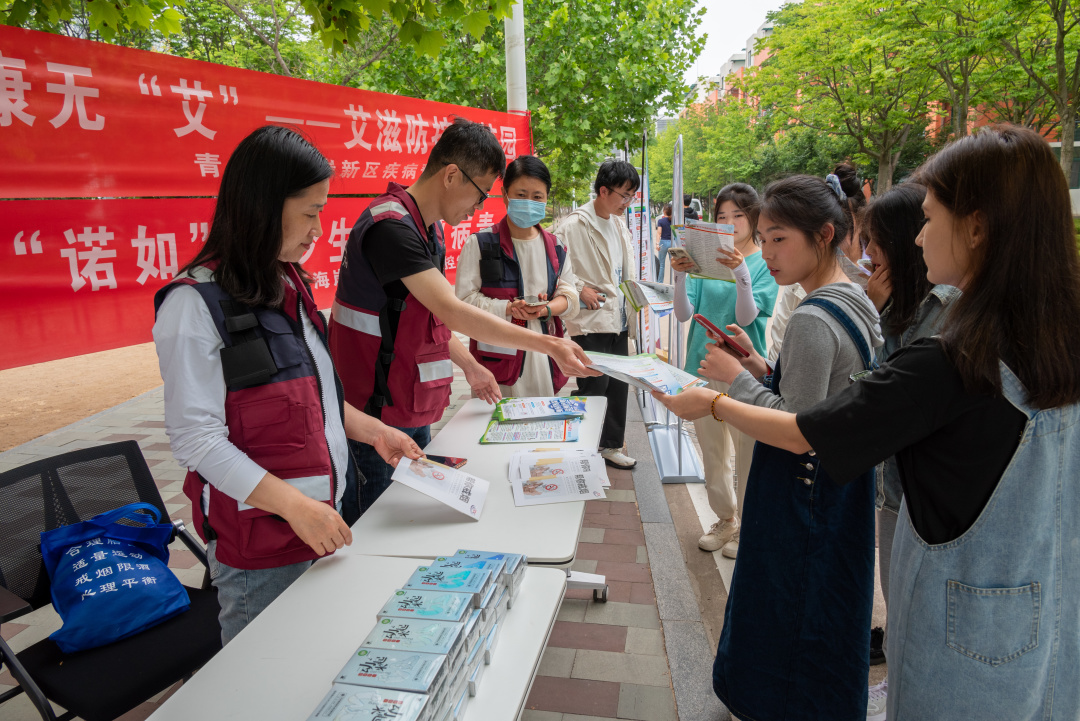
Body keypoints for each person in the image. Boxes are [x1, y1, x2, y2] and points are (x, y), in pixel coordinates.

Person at [656, 125, 1080, 719]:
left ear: (978, 227)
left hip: (963, 642)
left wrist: (716, 400)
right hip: (1053, 618)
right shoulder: (1054, 342)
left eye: (929, 219)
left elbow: (805, 430)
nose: (919, 238)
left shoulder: (952, 360)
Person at [153, 126, 425, 644]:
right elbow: (197, 440)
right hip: (262, 549)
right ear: (262, 207)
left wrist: (374, 432)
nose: (318, 229)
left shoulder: (288, 281)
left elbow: (314, 397)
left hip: (319, 523)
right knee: (264, 673)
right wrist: (295, 506)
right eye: (310, 212)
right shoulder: (192, 305)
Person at [656, 174, 883, 720]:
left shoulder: (811, 317)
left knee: (786, 609)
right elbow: (820, 395)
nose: (769, 252)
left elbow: (794, 426)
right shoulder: (854, 297)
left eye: (779, 238)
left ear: (824, 235)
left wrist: (726, 388)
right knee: (826, 606)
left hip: (801, 493)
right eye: (764, 238)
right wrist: (758, 364)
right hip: (842, 487)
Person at [330, 119, 596, 513]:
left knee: (409, 514)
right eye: (481, 193)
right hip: (373, 413)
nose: (479, 207)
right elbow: (454, 310)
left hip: (408, 400)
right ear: (452, 175)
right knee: (378, 523)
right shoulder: (392, 228)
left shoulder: (427, 230)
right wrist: (549, 344)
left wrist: (470, 366)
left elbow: (429, 318)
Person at [860, 182, 960, 718]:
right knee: (897, 597)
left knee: (914, 605)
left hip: (920, 491)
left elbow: (885, 395)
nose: (867, 254)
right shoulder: (908, 306)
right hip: (894, 485)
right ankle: (896, 684)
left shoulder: (943, 312)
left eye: (875, 242)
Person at [670, 183, 778, 557]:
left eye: (738, 215)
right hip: (701, 366)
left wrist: (741, 273)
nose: (729, 223)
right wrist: (680, 276)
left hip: (743, 371)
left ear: (753, 218)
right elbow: (683, 313)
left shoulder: (764, 262)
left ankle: (748, 524)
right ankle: (725, 518)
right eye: (722, 216)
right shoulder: (707, 260)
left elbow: (746, 317)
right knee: (713, 452)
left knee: (747, 452)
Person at [454, 155, 580, 398]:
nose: (529, 202)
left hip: (544, 356)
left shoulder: (556, 247)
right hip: (497, 358)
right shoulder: (480, 244)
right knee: (496, 416)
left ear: (547, 198)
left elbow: (570, 295)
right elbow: (463, 303)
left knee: (541, 415)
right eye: (521, 195)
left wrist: (545, 309)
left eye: (537, 197)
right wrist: (508, 308)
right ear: (505, 194)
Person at [560, 159, 640, 469]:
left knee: (619, 383)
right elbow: (558, 267)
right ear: (603, 191)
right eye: (624, 195)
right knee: (594, 384)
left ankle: (611, 445)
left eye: (631, 195)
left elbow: (625, 270)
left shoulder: (619, 224)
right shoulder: (574, 224)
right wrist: (580, 289)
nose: (627, 202)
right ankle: (584, 446)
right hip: (591, 319)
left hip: (619, 316)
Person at [655, 203, 673, 282]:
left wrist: (657, 243)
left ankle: (660, 282)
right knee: (673, 264)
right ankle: (673, 282)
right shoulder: (674, 221)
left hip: (663, 243)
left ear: (664, 211)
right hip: (672, 243)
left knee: (661, 264)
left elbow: (659, 233)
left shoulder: (661, 221)